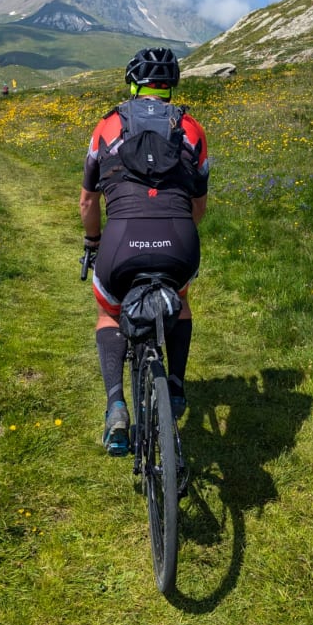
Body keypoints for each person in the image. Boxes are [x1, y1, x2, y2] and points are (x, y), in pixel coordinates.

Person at [79, 48, 209, 456]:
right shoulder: (192, 129)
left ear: (132, 83)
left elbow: (87, 202)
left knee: (108, 311)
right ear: (172, 86)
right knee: (181, 301)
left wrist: (93, 244)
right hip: (179, 239)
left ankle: (116, 404)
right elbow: (199, 205)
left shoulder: (106, 126)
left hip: (120, 242)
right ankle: (175, 384)